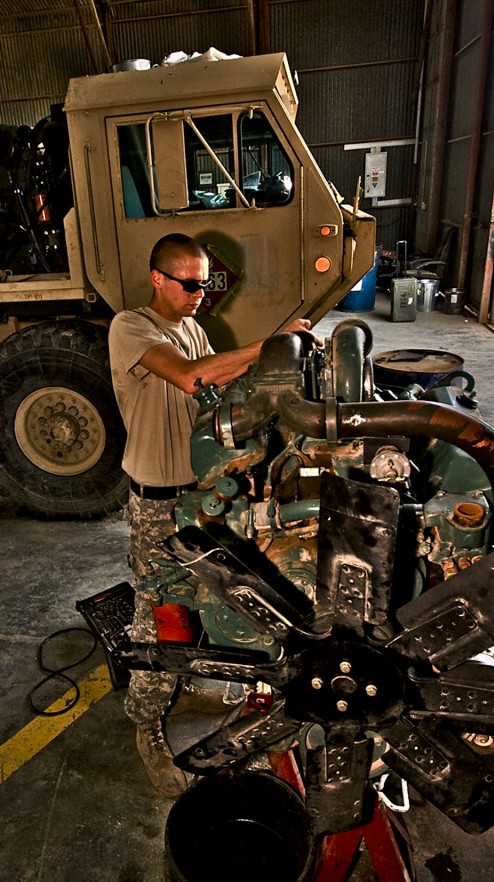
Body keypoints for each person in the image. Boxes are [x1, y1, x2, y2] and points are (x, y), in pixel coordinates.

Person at [108, 232, 315, 797]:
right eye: (191, 283)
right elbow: (191, 377)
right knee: (159, 614)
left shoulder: (194, 327)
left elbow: (219, 383)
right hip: (159, 497)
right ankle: (147, 723)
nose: (202, 293)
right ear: (158, 278)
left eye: (207, 283)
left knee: (225, 596)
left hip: (202, 492)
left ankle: (224, 684)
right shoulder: (132, 326)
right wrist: (270, 343)